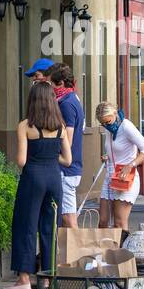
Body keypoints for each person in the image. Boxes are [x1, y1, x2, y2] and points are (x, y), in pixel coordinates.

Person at [4, 82, 72, 289]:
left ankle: (24, 279)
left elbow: (22, 160)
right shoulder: (60, 126)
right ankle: (47, 278)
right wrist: (52, 157)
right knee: (49, 227)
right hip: (54, 177)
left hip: (32, 177)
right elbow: (68, 160)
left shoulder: (25, 126)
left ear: (32, 100)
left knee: (26, 226)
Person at [96, 100, 144, 230]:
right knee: (103, 221)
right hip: (110, 176)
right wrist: (107, 157)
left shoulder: (126, 126)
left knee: (119, 222)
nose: (106, 125)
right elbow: (116, 149)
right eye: (102, 123)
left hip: (125, 177)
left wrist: (131, 165)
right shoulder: (109, 129)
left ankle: (122, 249)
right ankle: (106, 249)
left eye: (108, 122)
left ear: (115, 113)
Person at [49, 64, 86, 229]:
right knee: (65, 218)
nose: (51, 87)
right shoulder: (73, 99)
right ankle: (67, 253)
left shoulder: (66, 104)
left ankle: (75, 253)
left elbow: (67, 141)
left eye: (52, 84)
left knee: (68, 219)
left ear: (61, 83)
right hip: (70, 167)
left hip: (66, 169)